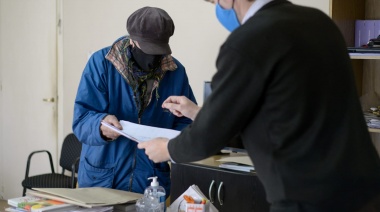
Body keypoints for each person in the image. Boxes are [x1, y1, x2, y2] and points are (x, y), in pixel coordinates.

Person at [138, 0, 380, 211]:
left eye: (216, 2)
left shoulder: (248, 41)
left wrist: (167, 149)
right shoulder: (319, 22)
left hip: (308, 197)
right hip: (364, 188)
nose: (220, 9)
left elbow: (206, 139)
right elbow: (287, 113)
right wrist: (200, 113)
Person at [72, 6, 196, 197]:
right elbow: (81, 120)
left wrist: (169, 145)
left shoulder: (176, 72)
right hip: (102, 181)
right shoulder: (101, 63)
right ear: (132, 40)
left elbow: (187, 125)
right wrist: (100, 126)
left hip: (150, 183)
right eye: (147, 49)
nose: (153, 58)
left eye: (159, 50)